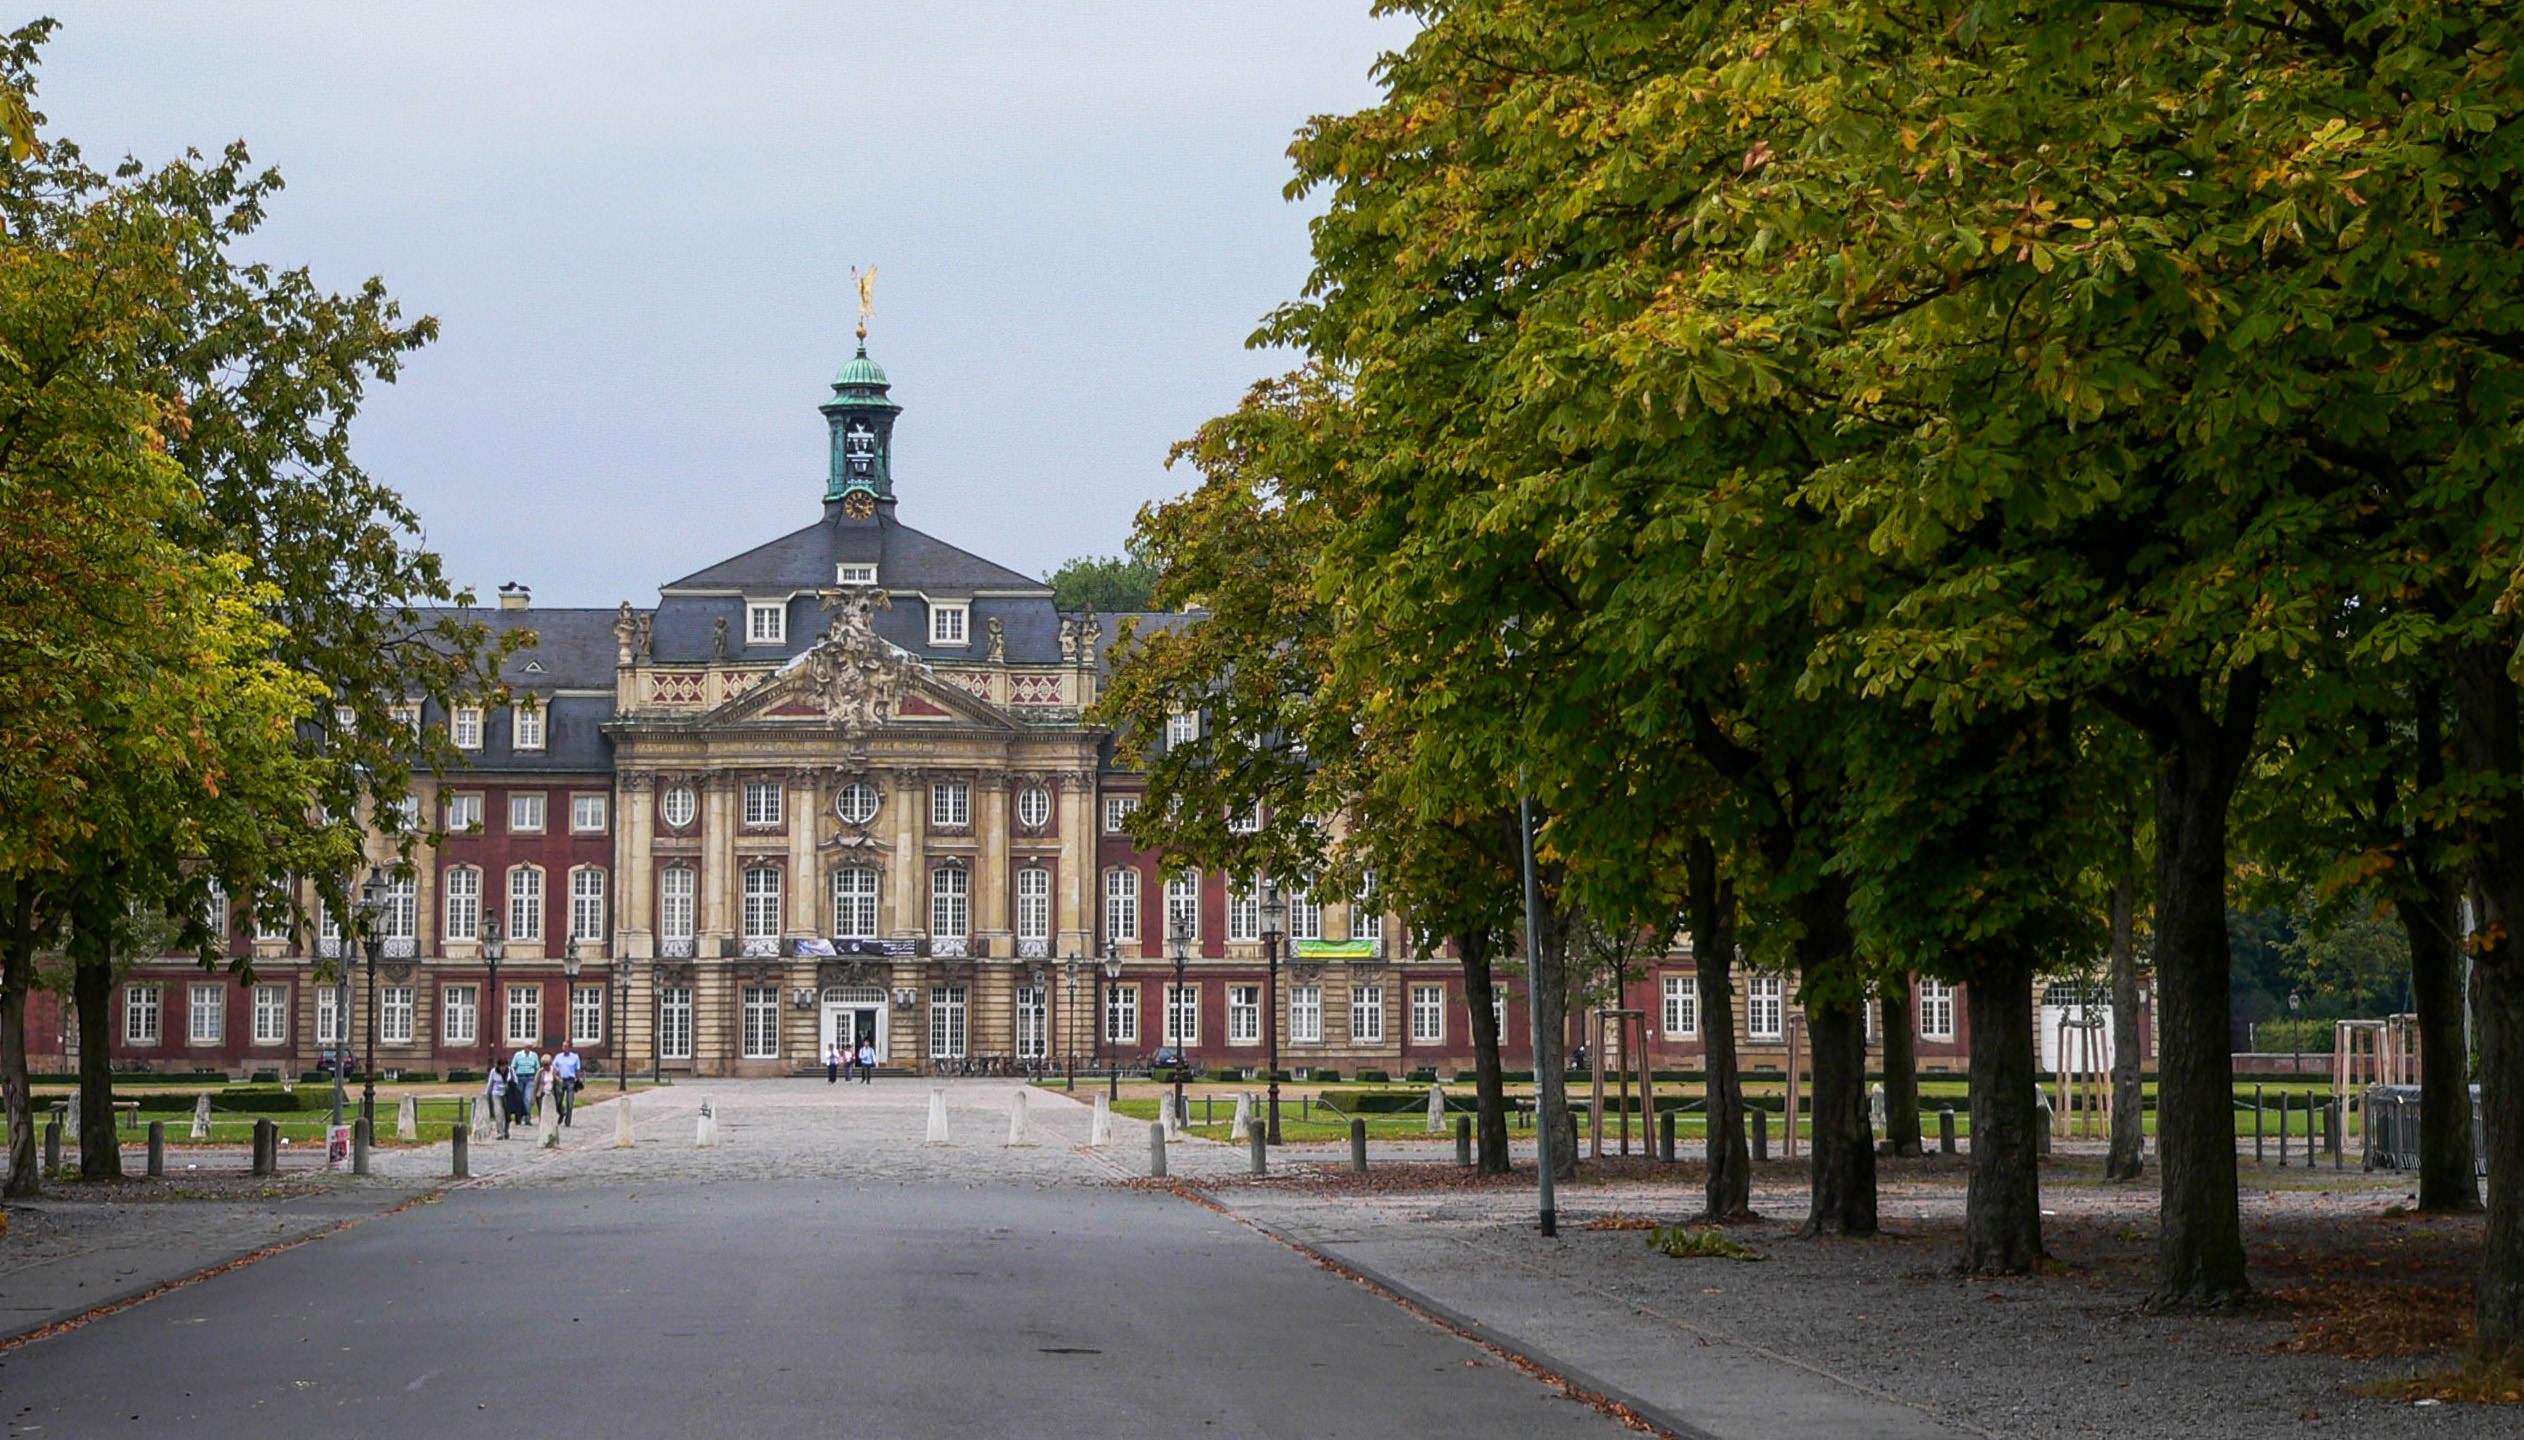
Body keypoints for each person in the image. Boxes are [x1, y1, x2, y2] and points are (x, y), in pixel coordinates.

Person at [552, 1044, 582, 1126]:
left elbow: (577, 1069)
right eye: (563, 1046)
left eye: (566, 1047)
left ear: (570, 1048)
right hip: (561, 1080)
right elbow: (553, 1068)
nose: (564, 1048)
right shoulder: (558, 1057)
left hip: (570, 1081)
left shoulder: (575, 1057)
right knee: (558, 1100)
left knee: (570, 1102)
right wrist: (556, 1077)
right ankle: (562, 1113)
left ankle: (568, 1121)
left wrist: (578, 1080)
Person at [486, 1060, 512, 1140]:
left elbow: (515, 1081)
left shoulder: (510, 1071)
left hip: (507, 1094)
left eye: (504, 1066)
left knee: (507, 1114)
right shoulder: (493, 1071)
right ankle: (500, 1132)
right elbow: (490, 1083)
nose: (503, 1068)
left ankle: (506, 1130)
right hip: (496, 1094)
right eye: (501, 1066)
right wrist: (487, 1094)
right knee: (498, 1113)